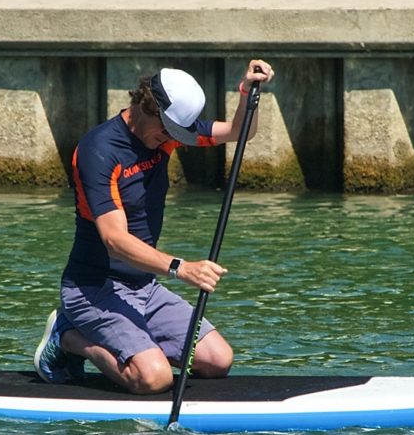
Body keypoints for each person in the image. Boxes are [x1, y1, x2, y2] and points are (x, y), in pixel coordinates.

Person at [34, 60, 275, 394]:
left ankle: (139, 343)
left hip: (144, 288)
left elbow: (240, 132)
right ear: (147, 106)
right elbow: (115, 240)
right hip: (93, 289)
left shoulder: (164, 137)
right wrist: (181, 268)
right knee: (154, 378)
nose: (169, 140)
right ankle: (68, 337)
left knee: (218, 361)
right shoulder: (99, 151)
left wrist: (249, 93)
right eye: (166, 131)